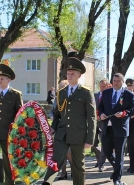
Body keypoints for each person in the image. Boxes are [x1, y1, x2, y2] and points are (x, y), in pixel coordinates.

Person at [42, 57, 96, 185]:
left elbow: (91, 117)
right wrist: (53, 128)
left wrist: (90, 139)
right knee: (55, 160)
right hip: (62, 133)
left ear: (79, 75)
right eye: (68, 73)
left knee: (78, 164)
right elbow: (57, 114)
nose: (70, 75)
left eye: (73, 73)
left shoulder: (86, 93)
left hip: (78, 134)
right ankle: (46, 183)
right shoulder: (61, 93)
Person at [98, 73, 134, 185]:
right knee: (106, 150)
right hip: (107, 127)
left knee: (120, 154)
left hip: (121, 128)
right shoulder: (106, 92)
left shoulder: (129, 94)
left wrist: (124, 113)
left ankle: (117, 179)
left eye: (118, 80)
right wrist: (101, 114)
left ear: (122, 82)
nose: (115, 82)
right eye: (114, 80)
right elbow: (100, 106)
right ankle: (117, 169)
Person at [49, 80, 72, 181]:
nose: (60, 89)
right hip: (58, 129)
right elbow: (52, 112)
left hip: (69, 130)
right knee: (60, 153)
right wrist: (51, 117)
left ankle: (74, 171)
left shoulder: (70, 97)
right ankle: (63, 173)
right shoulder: (57, 98)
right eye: (60, 87)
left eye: (62, 87)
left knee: (69, 153)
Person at [92, 79, 109, 172]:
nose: (102, 88)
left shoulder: (109, 96)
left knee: (104, 142)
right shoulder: (95, 95)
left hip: (104, 122)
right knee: (93, 143)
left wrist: (102, 115)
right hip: (94, 122)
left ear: (107, 86)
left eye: (104, 86)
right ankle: (99, 158)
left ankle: (101, 164)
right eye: (101, 86)